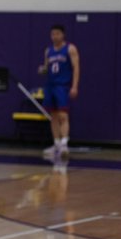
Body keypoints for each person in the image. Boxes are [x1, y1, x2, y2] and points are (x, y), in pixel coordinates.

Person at [40, 24, 80, 160]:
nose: (54, 36)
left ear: (63, 35)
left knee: (63, 115)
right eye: (52, 34)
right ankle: (56, 144)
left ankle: (64, 144)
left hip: (62, 86)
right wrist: (42, 70)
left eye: (57, 34)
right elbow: (46, 68)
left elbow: (76, 68)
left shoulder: (70, 48)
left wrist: (74, 86)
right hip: (50, 86)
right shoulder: (48, 51)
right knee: (53, 116)